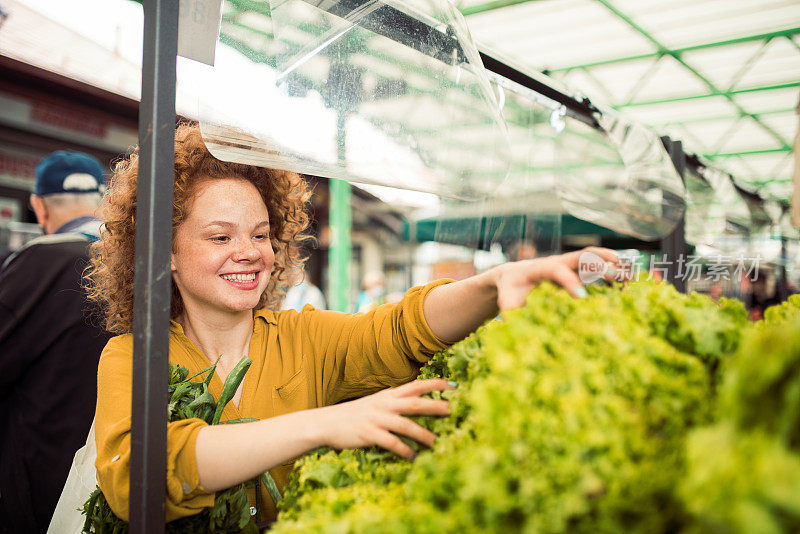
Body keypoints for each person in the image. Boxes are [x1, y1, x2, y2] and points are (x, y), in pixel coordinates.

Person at [81, 122, 621, 526]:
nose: (249, 253)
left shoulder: (303, 339)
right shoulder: (133, 357)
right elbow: (142, 475)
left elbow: (399, 330)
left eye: (262, 234)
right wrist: (324, 424)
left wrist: (492, 283)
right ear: (165, 252)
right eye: (221, 238)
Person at [0, 150, 112, 533]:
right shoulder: (138, 261)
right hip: (111, 472)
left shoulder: (39, 261)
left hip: (36, 474)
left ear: (37, 206)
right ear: (103, 201)